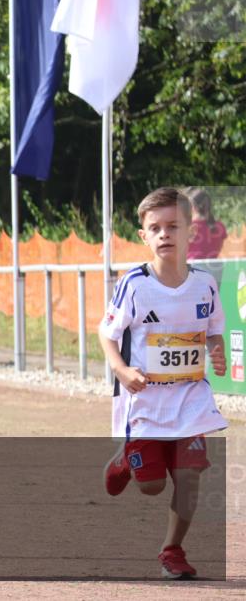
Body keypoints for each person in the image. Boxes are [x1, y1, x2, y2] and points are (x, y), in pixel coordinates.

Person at [99, 187, 227, 580]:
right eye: (155, 228)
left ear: (191, 231)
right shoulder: (135, 284)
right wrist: (122, 371)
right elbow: (106, 333)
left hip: (191, 401)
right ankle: (126, 459)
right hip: (145, 404)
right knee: (152, 485)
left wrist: (216, 350)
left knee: (189, 480)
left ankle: (172, 551)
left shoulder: (205, 284)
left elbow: (214, 330)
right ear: (144, 236)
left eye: (173, 226)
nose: (164, 234)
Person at [185, 187, 227, 260]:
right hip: (213, 266)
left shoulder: (187, 227)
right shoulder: (220, 226)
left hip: (191, 266)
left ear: (193, 207)